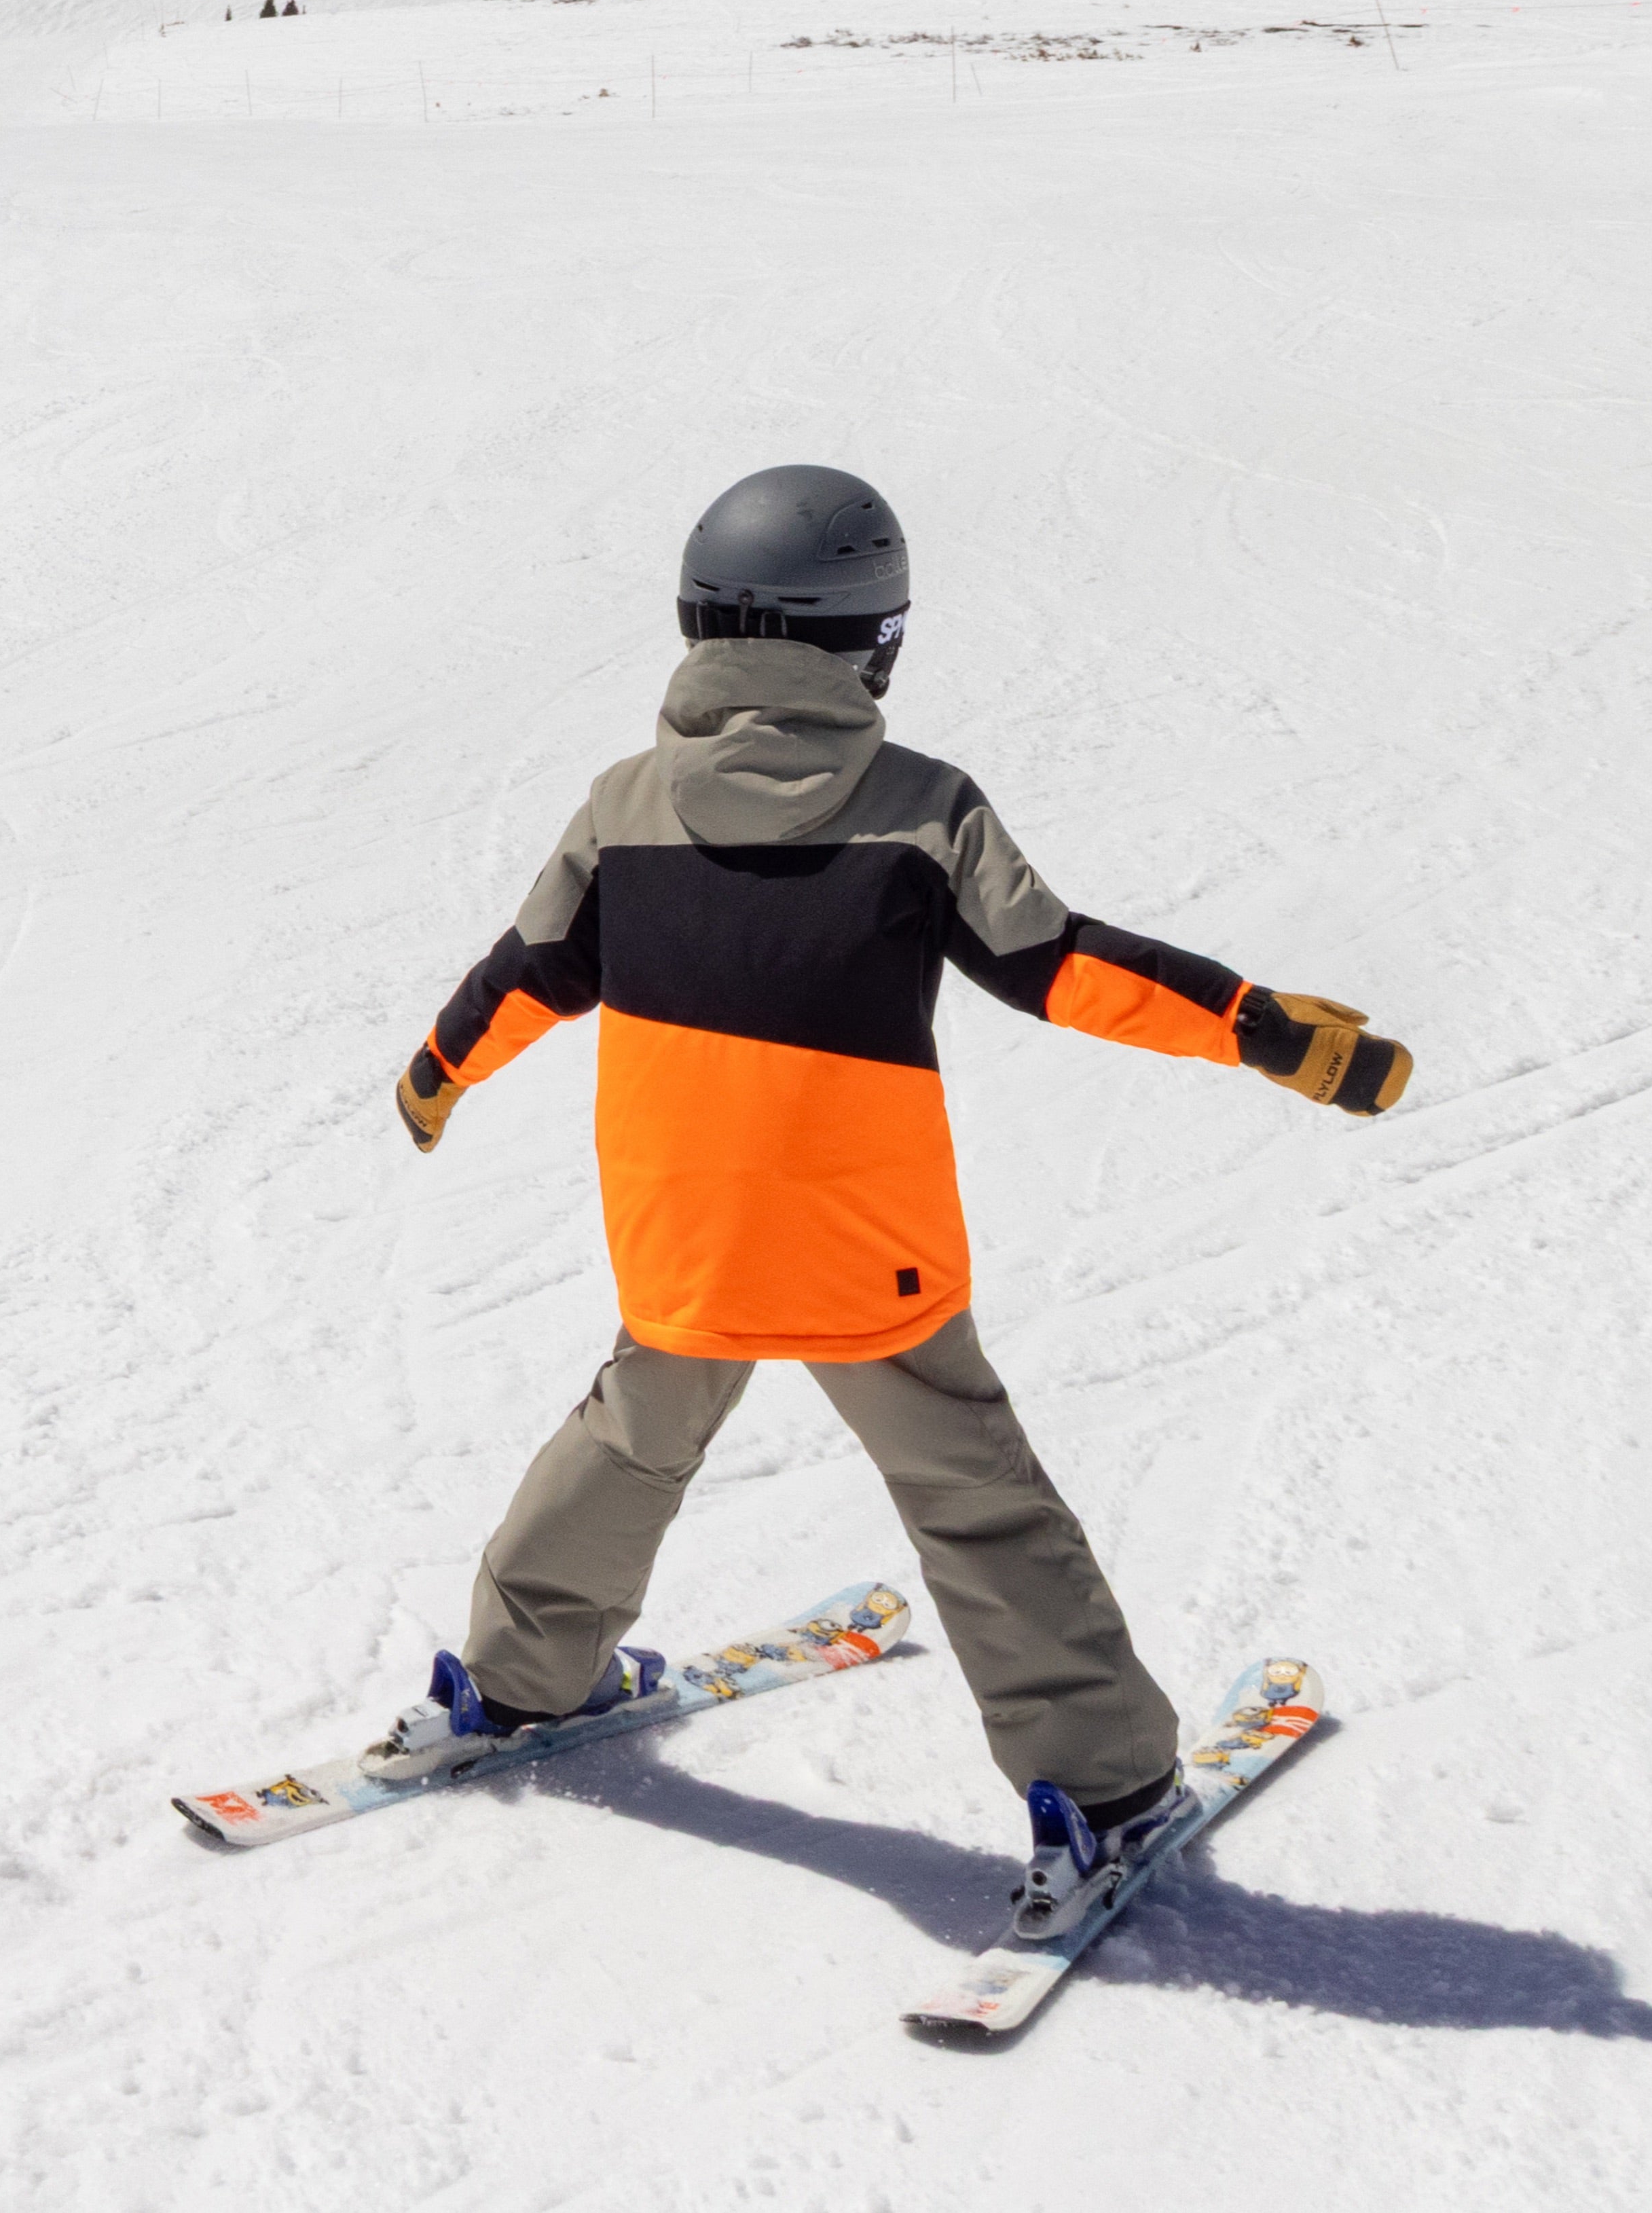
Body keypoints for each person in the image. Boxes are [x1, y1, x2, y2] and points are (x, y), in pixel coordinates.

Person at [381, 464, 1410, 1943]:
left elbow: (522, 973)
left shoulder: (620, 806)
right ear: (872, 640)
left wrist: (433, 1072)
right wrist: (1268, 1028)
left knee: (630, 1431)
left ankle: (513, 1676)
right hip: (865, 1249)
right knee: (972, 1496)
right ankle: (1105, 1787)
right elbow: (1064, 965)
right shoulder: (920, 807)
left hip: (686, 1236)